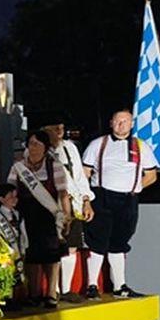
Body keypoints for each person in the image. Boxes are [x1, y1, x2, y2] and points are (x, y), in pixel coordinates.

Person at [82, 110, 157, 299]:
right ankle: (92, 285)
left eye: (125, 121)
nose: (121, 124)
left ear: (132, 124)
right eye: (117, 121)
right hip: (101, 197)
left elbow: (151, 175)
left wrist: (134, 188)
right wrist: (85, 199)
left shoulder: (141, 146)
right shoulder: (98, 144)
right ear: (111, 123)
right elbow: (84, 174)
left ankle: (120, 286)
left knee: (120, 241)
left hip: (128, 200)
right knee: (97, 241)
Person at [8, 131, 71, 309]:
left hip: (49, 216)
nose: (33, 148)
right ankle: (33, 293)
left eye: (37, 144)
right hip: (26, 214)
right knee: (31, 255)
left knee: (51, 256)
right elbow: (10, 190)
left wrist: (67, 216)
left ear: (45, 147)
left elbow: (63, 193)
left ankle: (51, 294)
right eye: (31, 144)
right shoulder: (18, 167)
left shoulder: (54, 166)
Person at [43, 119, 95, 303]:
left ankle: (66, 289)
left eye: (62, 128)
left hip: (72, 203)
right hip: (49, 204)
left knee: (71, 246)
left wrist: (86, 200)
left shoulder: (69, 148)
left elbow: (80, 177)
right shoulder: (37, 149)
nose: (59, 132)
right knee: (53, 246)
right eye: (55, 128)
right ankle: (53, 290)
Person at [0, 183, 29, 307]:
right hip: (6, 252)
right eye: (11, 196)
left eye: (15, 196)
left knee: (19, 275)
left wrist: (24, 248)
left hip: (18, 249)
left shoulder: (18, 214)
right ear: (1, 199)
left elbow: (23, 233)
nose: (14, 199)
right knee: (6, 274)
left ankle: (18, 298)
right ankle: (6, 299)